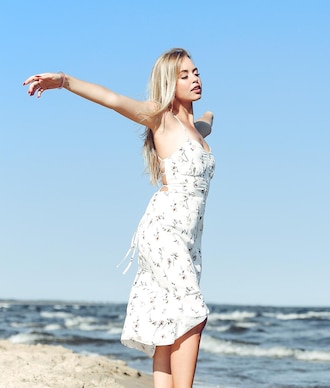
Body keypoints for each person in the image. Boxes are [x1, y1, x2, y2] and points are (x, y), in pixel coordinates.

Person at [23, 48, 215, 388]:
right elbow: (113, 99)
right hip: (164, 230)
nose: (194, 79)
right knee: (192, 313)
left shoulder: (197, 130)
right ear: (169, 82)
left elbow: (207, 122)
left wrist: (207, 118)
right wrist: (65, 81)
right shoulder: (160, 118)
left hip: (190, 238)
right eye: (184, 75)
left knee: (169, 320)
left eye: (196, 72)